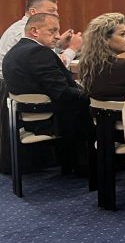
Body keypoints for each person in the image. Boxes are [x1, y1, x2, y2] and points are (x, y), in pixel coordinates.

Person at [2, 12, 94, 151]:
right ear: (34, 31)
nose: (58, 36)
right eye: (52, 31)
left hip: (29, 118)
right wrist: (91, 93)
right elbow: (61, 92)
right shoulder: (38, 52)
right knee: (102, 112)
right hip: (49, 120)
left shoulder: (15, 51)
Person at [0, 0, 81, 73]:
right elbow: (53, 67)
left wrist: (59, 44)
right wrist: (73, 48)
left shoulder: (20, 27)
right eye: (51, 11)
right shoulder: (25, 31)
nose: (57, 14)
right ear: (33, 12)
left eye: (56, 11)